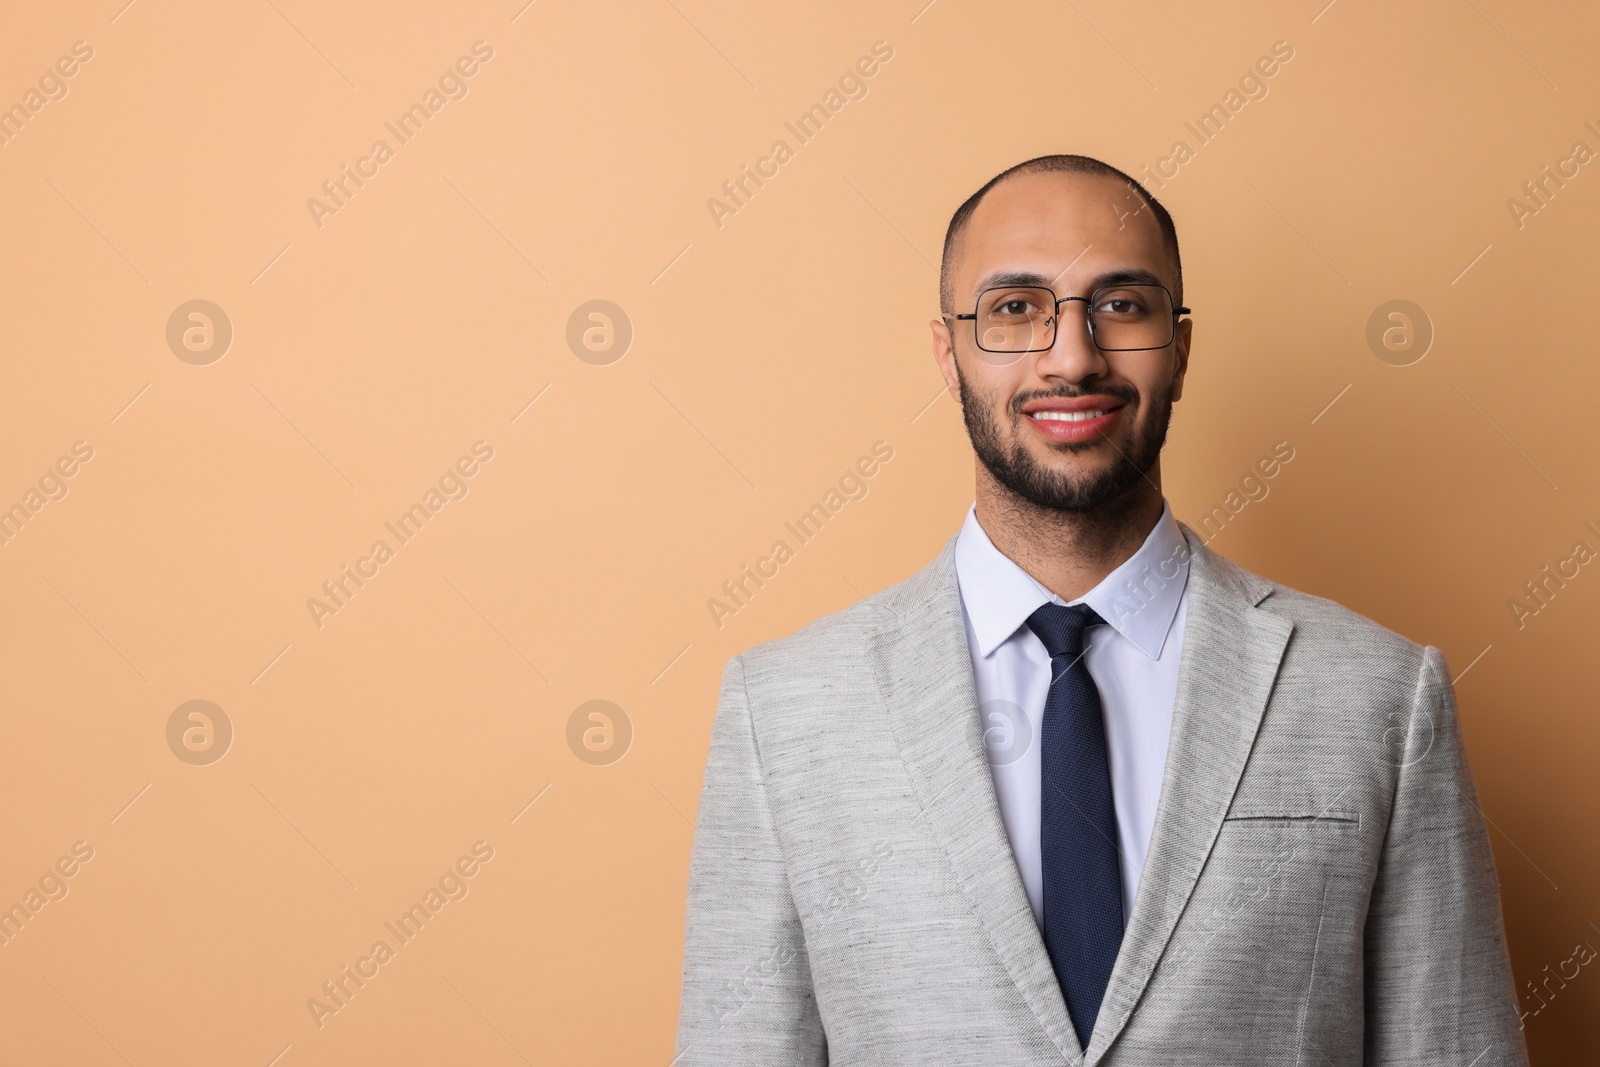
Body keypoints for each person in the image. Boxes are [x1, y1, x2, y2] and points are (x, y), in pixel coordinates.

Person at [673, 154, 1528, 1065]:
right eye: (1014, 309)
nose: (1072, 356)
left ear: (1182, 349)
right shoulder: (784, 710)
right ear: (947, 353)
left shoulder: (1381, 695)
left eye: (1121, 305)